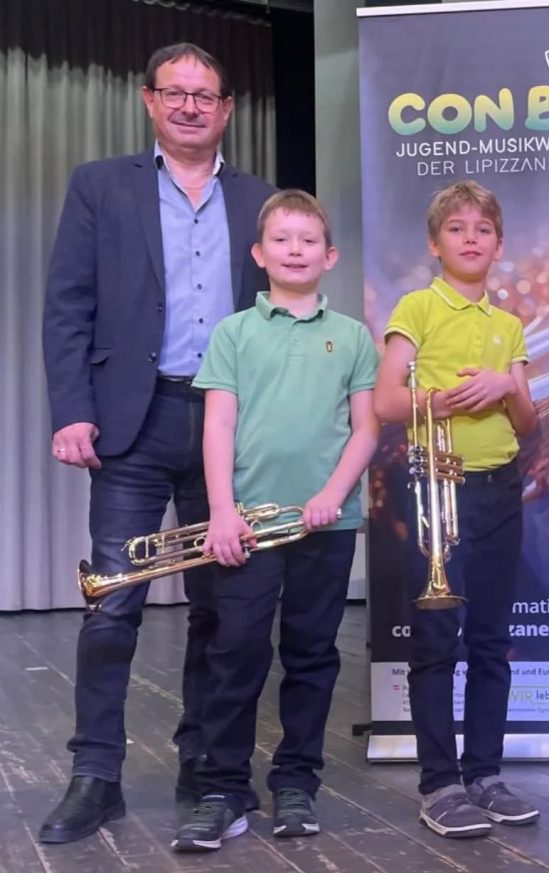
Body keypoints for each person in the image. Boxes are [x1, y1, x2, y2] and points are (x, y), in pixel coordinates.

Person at [39, 43, 275, 844]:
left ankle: (203, 767)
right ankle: (95, 775)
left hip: (229, 429)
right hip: (130, 425)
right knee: (112, 604)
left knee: (220, 610)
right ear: (149, 101)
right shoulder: (101, 186)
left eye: (204, 95)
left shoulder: (261, 200)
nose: (189, 106)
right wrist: (72, 410)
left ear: (226, 108)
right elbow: (68, 305)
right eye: (175, 93)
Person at [170, 189, 379, 851]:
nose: (295, 250)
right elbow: (218, 426)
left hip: (326, 525)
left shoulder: (352, 336)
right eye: (282, 240)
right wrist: (221, 513)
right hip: (248, 527)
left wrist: (334, 494)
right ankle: (223, 788)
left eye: (308, 240)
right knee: (234, 651)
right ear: (259, 254)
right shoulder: (234, 333)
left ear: (329, 255)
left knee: (312, 653)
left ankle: (296, 781)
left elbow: (366, 427)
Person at [373, 181, 540, 839]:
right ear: (434, 244)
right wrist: (439, 402)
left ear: (499, 245)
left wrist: (507, 387)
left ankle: (485, 774)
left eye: (483, 229)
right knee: (438, 638)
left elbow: (527, 421)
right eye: (457, 228)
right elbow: (387, 400)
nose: (471, 238)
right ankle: (440, 783)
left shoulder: (509, 324)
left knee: (492, 641)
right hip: (438, 490)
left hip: (500, 488)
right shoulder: (417, 307)